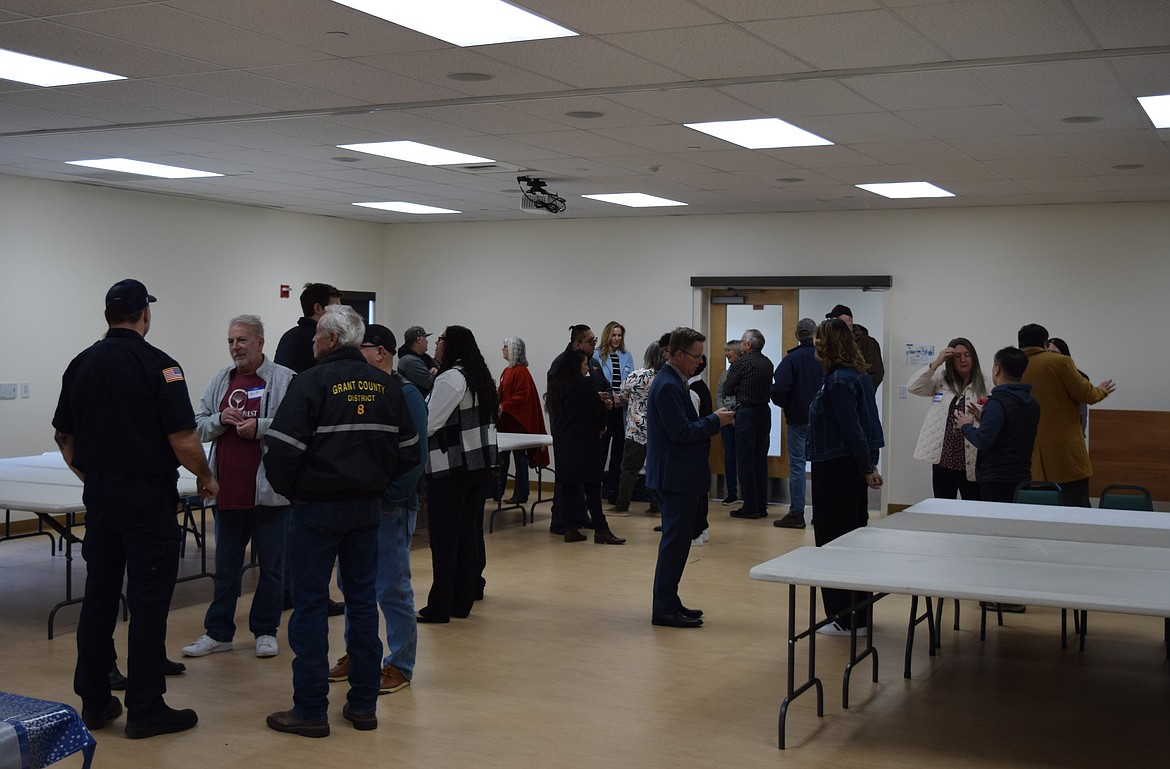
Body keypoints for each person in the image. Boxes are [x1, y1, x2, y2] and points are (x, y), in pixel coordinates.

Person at [53, 278, 218, 739]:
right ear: (146, 314)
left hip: (101, 499)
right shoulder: (160, 366)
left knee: (100, 598)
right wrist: (206, 478)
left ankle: (95, 700)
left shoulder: (80, 364)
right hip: (147, 500)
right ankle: (146, 708)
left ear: (109, 315)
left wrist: (94, 477)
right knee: (148, 604)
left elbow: (65, 439)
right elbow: (184, 440)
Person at [263, 305, 420, 737]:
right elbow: (408, 452)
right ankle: (363, 705)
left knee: (310, 607)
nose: (312, 342)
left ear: (331, 340)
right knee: (362, 604)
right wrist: (379, 490)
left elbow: (281, 450)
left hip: (315, 510)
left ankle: (311, 710)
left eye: (316, 336)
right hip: (366, 511)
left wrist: (294, 492)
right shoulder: (387, 387)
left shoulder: (310, 382)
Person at [184, 315, 295, 661]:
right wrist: (220, 421)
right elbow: (197, 425)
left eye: (242, 340)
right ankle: (218, 633)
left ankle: (265, 631)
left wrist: (259, 427)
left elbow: (296, 426)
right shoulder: (222, 379)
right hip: (226, 491)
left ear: (260, 342)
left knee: (272, 569)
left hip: (269, 494)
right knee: (226, 569)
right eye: (231, 342)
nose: (236, 348)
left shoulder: (283, 378)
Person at [328, 324, 428, 695]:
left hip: (390, 507)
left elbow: (415, 458)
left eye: (363, 348)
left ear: (381, 352)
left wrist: (390, 500)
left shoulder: (406, 393)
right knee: (354, 586)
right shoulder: (361, 391)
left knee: (392, 587)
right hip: (358, 505)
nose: (356, 355)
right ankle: (359, 654)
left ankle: (400, 664)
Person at [647, 328, 734, 628]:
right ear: (678, 354)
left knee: (679, 542)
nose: (699, 363)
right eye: (695, 357)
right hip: (674, 476)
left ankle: (670, 600)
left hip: (679, 474)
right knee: (674, 543)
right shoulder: (669, 385)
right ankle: (663, 608)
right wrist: (715, 421)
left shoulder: (676, 381)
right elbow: (680, 433)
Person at [806, 318, 884, 636]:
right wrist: (868, 465)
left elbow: (853, 428)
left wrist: (867, 468)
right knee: (853, 540)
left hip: (836, 468)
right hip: (849, 468)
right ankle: (858, 616)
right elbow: (870, 427)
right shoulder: (858, 376)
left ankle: (843, 617)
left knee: (834, 541)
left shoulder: (838, 381)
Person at [418, 325, 499, 623]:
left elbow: (429, 424)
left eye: (440, 339)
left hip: (451, 467)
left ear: (450, 346)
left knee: (444, 537)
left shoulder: (452, 378)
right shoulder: (480, 376)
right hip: (479, 466)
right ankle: (462, 600)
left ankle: (440, 606)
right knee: (467, 533)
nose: (436, 344)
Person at [273, 282, 344, 616]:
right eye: (335, 305)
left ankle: (291, 589)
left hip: (295, 439)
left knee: (296, 526)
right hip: (313, 444)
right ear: (318, 310)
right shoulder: (310, 344)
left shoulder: (288, 338)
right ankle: (302, 591)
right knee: (308, 531)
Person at [1018, 323, 1115, 507]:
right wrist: (1102, 390)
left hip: (1027, 457)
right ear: (1044, 344)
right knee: (1075, 509)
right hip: (1064, 455)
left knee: (1036, 512)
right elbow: (1087, 395)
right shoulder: (1060, 362)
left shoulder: (1011, 366)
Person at [546, 350, 626, 545]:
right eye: (584, 364)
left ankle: (570, 528)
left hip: (564, 442)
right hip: (584, 441)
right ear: (576, 366)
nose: (587, 367)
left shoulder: (557, 387)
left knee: (568, 485)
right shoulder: (583, 384)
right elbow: (598, 410)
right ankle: (601, 529)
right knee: (592, 485)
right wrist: (603, 419)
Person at [907, 337, 991, 502]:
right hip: (943, 459)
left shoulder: (986, 383)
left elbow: (994, 418)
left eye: (967, 355)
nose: (963, 360)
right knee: (942, 506)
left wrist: (982, 417)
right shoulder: (941, 379)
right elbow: (913, 387)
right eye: (957, 356)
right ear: (950, 360)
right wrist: (936, 362)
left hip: (971, 459)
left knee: (973, 507)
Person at [956, 347, 1041, 503]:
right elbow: (1013, 431)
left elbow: (983, 440)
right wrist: (986, 420)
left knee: (994, 525)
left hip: (997, 479)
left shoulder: (997, 403)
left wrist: (966, 426)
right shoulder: (1032, 403)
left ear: (997, 369)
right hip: (1023, 477)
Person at [770, 318, 823, 529]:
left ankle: (797, 513)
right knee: (821, 465)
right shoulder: (824, 358)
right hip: (821, 420)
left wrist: (786, 405)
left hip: (797, 418)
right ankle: (820, 512)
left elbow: (779, 389)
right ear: (815, 334)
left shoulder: (791, 360)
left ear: (797, 336)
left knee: (798, 466)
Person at [722, 328, 774, 520]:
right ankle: (761, 505)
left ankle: (750, 506)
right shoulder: (768, 363)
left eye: (743, 341)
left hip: (747, 413)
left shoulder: (743, 362)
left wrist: (738, 386)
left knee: (745, 459)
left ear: (748, 345)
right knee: (760, 459)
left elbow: (727, 388)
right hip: (764, 413)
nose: (741, 344)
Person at [609, 341, 665, 514]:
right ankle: (656, 506)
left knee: (629, 469)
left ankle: (622, 505)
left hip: (636, 430)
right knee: (656, 469)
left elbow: (622, 395)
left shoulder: (637, 376)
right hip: (658, 431)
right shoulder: (666, 377)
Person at [496, 337, 548, 505]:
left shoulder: (521, 371)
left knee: (520, 459)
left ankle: (521, 493)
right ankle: (498, 490)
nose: (502, 350)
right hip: (506, 422)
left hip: (518, 422)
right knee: (502, 459)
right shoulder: (507, 371)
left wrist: (504, 405)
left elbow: (522, 397)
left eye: (505, 347)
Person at [594, 321, 634, 502]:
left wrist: (622, 396)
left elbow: (631, 379)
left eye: (619, 335)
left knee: (619, 452)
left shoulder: (626, 356)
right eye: (614, 335)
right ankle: (595, 490)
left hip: (621, 409)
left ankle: (613, 492)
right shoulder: (596, 355)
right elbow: (598, 381)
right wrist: (612, 396)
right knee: (601, 451)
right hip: (605, 408)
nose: (617, 338)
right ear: (607, 336)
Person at [274, 282, 341, 374]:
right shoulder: (323, 339)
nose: (340, 314)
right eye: (336, 309)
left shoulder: (288, 335)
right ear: (318, 308)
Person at [687, 355, 714, 546]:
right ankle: (701, 527)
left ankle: (696, 530)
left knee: (694, 489)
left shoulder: (693, 390)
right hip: (702, 442)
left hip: (696, 444)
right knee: (700, 488)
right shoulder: (700, 387)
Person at [826, 304, 884, 389]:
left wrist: (862, 391)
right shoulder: (833, 343)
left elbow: (877, 372)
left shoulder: (867, 342)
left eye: (838, 320)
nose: (835, 324)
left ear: (849, 320)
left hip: (860, 395)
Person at [714, 340, 741, 505]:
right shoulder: (724, 375)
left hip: (742, 420)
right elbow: (718, 395)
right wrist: (726, 413)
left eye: (729, 350)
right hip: (726, 421)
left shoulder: (746, 372)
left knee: (744, 457)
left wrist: (737, 415)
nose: (726, 354)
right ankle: (732, 492)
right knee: (729, 456)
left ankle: (750, 494)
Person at [1045, 337, 1091, 434]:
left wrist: (1080, 433)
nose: (1050, 356)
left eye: (1054, 353)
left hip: (1067, 431)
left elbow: (1082, 412)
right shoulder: (1039, 376)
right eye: (1047, 352)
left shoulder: (1079, 377)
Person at [397, 325, 439, 394]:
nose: (427, 342)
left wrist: (433, 367)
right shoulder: (411, 361)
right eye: (425, 339)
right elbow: (431, 383)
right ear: (418, 340)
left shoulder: (418, 358)